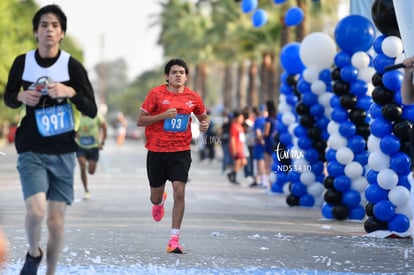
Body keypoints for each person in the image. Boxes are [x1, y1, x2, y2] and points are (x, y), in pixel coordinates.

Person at [3, 5, 97, 275]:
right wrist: (21, 96)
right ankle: (34, 254)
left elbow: (91, 108)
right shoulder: (23, 62)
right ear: (36, 32)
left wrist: (69, 91)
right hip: (31, 147)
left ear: (62, 33)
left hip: (64, 151)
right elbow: (8, 96)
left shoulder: (71, 66)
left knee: (56, 223)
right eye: (44, 25)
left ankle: (50, 272)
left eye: (55, 25)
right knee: (36, 211)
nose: (49, 30)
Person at [137, 58, 209, 254]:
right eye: (174, 72)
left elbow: (203, 117)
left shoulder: (193, 98)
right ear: (167, 77)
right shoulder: (156, 94)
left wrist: (204, 124)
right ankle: (159, 202)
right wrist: (162, 116)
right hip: (157, 151)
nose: (178, 75)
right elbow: (140, 121)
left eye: (182, 72)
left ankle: (174, 239)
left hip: (180, 151)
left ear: (186, 77)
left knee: (180, 191)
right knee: (154, 196)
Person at [75, 113, 107, 200]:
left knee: (91, 171)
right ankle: (86, 190)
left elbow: (104, 127)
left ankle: (90, 166)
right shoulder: (77, 116)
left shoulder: (96, 116)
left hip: (94, 147)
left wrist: (102, 141)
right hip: (80, 146)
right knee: (82, 166)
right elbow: (73, 130)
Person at [227, 110, 247, 184]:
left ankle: (231, 174)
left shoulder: (240, 127)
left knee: (243, 162)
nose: (242, 119)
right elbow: (232, 138)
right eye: (241, 117)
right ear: (236, 118)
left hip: (241, 148)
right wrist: (234, 149)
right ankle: (233, 177)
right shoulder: (234, 126)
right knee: (238, 162)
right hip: (236, 148)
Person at [251, 104, 268, 188]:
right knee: (264, 162)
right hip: (264, 143)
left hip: (259, 144)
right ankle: (262, 180)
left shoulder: (258, 120)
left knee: (260, 162)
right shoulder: (266, 120)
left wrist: (261, 140)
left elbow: (258, 132)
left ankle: (263, 180)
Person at [263, 100, 277, 192]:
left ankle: (269, 184)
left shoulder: (268, 120)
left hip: (268, 142)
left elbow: (266, 132)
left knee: (268, 164)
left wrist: (260, 136)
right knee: (273, 163)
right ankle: (273, 183)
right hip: (275, 142)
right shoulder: (276, 119)